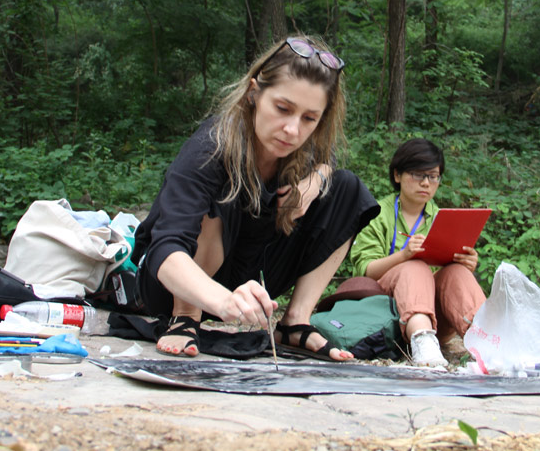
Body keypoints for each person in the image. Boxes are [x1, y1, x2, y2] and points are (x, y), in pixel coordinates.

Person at [131, 36, 379, 361]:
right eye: (282, 108)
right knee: (217, 198)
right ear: (254, 93)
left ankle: (295, 323)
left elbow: (328, 160)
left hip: (248, 281)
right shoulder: (210, 150)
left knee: (348, 189)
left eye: (309, 118)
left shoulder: (303, 146)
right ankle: (185, 318)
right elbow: (166, 248)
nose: (292, 129)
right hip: (176, 286)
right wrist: (221, 300)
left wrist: (315, 181)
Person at [348, 139, 486, 367]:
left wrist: (466, 263)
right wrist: (403, 256)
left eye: (433, 176)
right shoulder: (375, 213)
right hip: (382, 317)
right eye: (417, 174)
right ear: (397, 175)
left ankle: (488, 340)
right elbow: (365, 271)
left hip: (435, 318)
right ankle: (422, 342)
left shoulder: (443, 218)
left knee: (457, 273)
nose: (426, 183)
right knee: (414, 266)